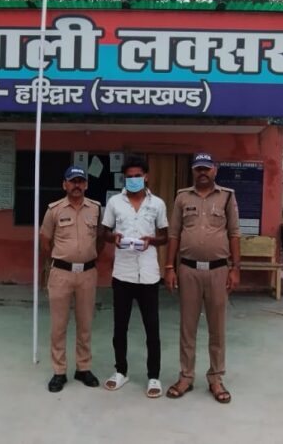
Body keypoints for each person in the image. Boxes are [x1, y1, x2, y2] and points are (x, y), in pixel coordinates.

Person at [163, 153, 240, 404]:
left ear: (214, 170)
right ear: (193, 171)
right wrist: (169, 267)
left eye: (207, 168)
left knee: (217, 327)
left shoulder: (227, 196)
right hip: (188, 271)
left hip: (218, 271)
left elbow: (234, 233)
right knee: (188, 327)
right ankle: (186, 376)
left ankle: (216, 378)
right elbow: (174, 234)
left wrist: (235, 268)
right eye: (198, 169)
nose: (203, 172)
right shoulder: (182, 197)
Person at [101, 156, 169, 398]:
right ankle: (121, 371)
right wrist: (114, 238)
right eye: (129, 177)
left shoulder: (157, 204)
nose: (133, 180)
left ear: (146, 176)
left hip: (149, 275)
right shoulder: (114, 203)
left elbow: (165, 236)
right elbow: (104, 232)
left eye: (137, 176)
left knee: (152, 328)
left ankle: (154, 376)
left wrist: (152, 241)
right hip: (123, 274)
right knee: (120, 327)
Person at [40, 166, 105, 393]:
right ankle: (59, 371)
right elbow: (45, 240)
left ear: (86, 184)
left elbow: (100, 238)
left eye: (80, 181)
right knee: (58, 326)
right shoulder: (54, 210)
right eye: (72, 181)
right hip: (61, 274)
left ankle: (83, 368)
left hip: (87, 273)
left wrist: (90, 256)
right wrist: (59, 260)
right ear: (64, 184)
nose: (77, 185)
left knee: (85, 323)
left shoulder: (95, 209)